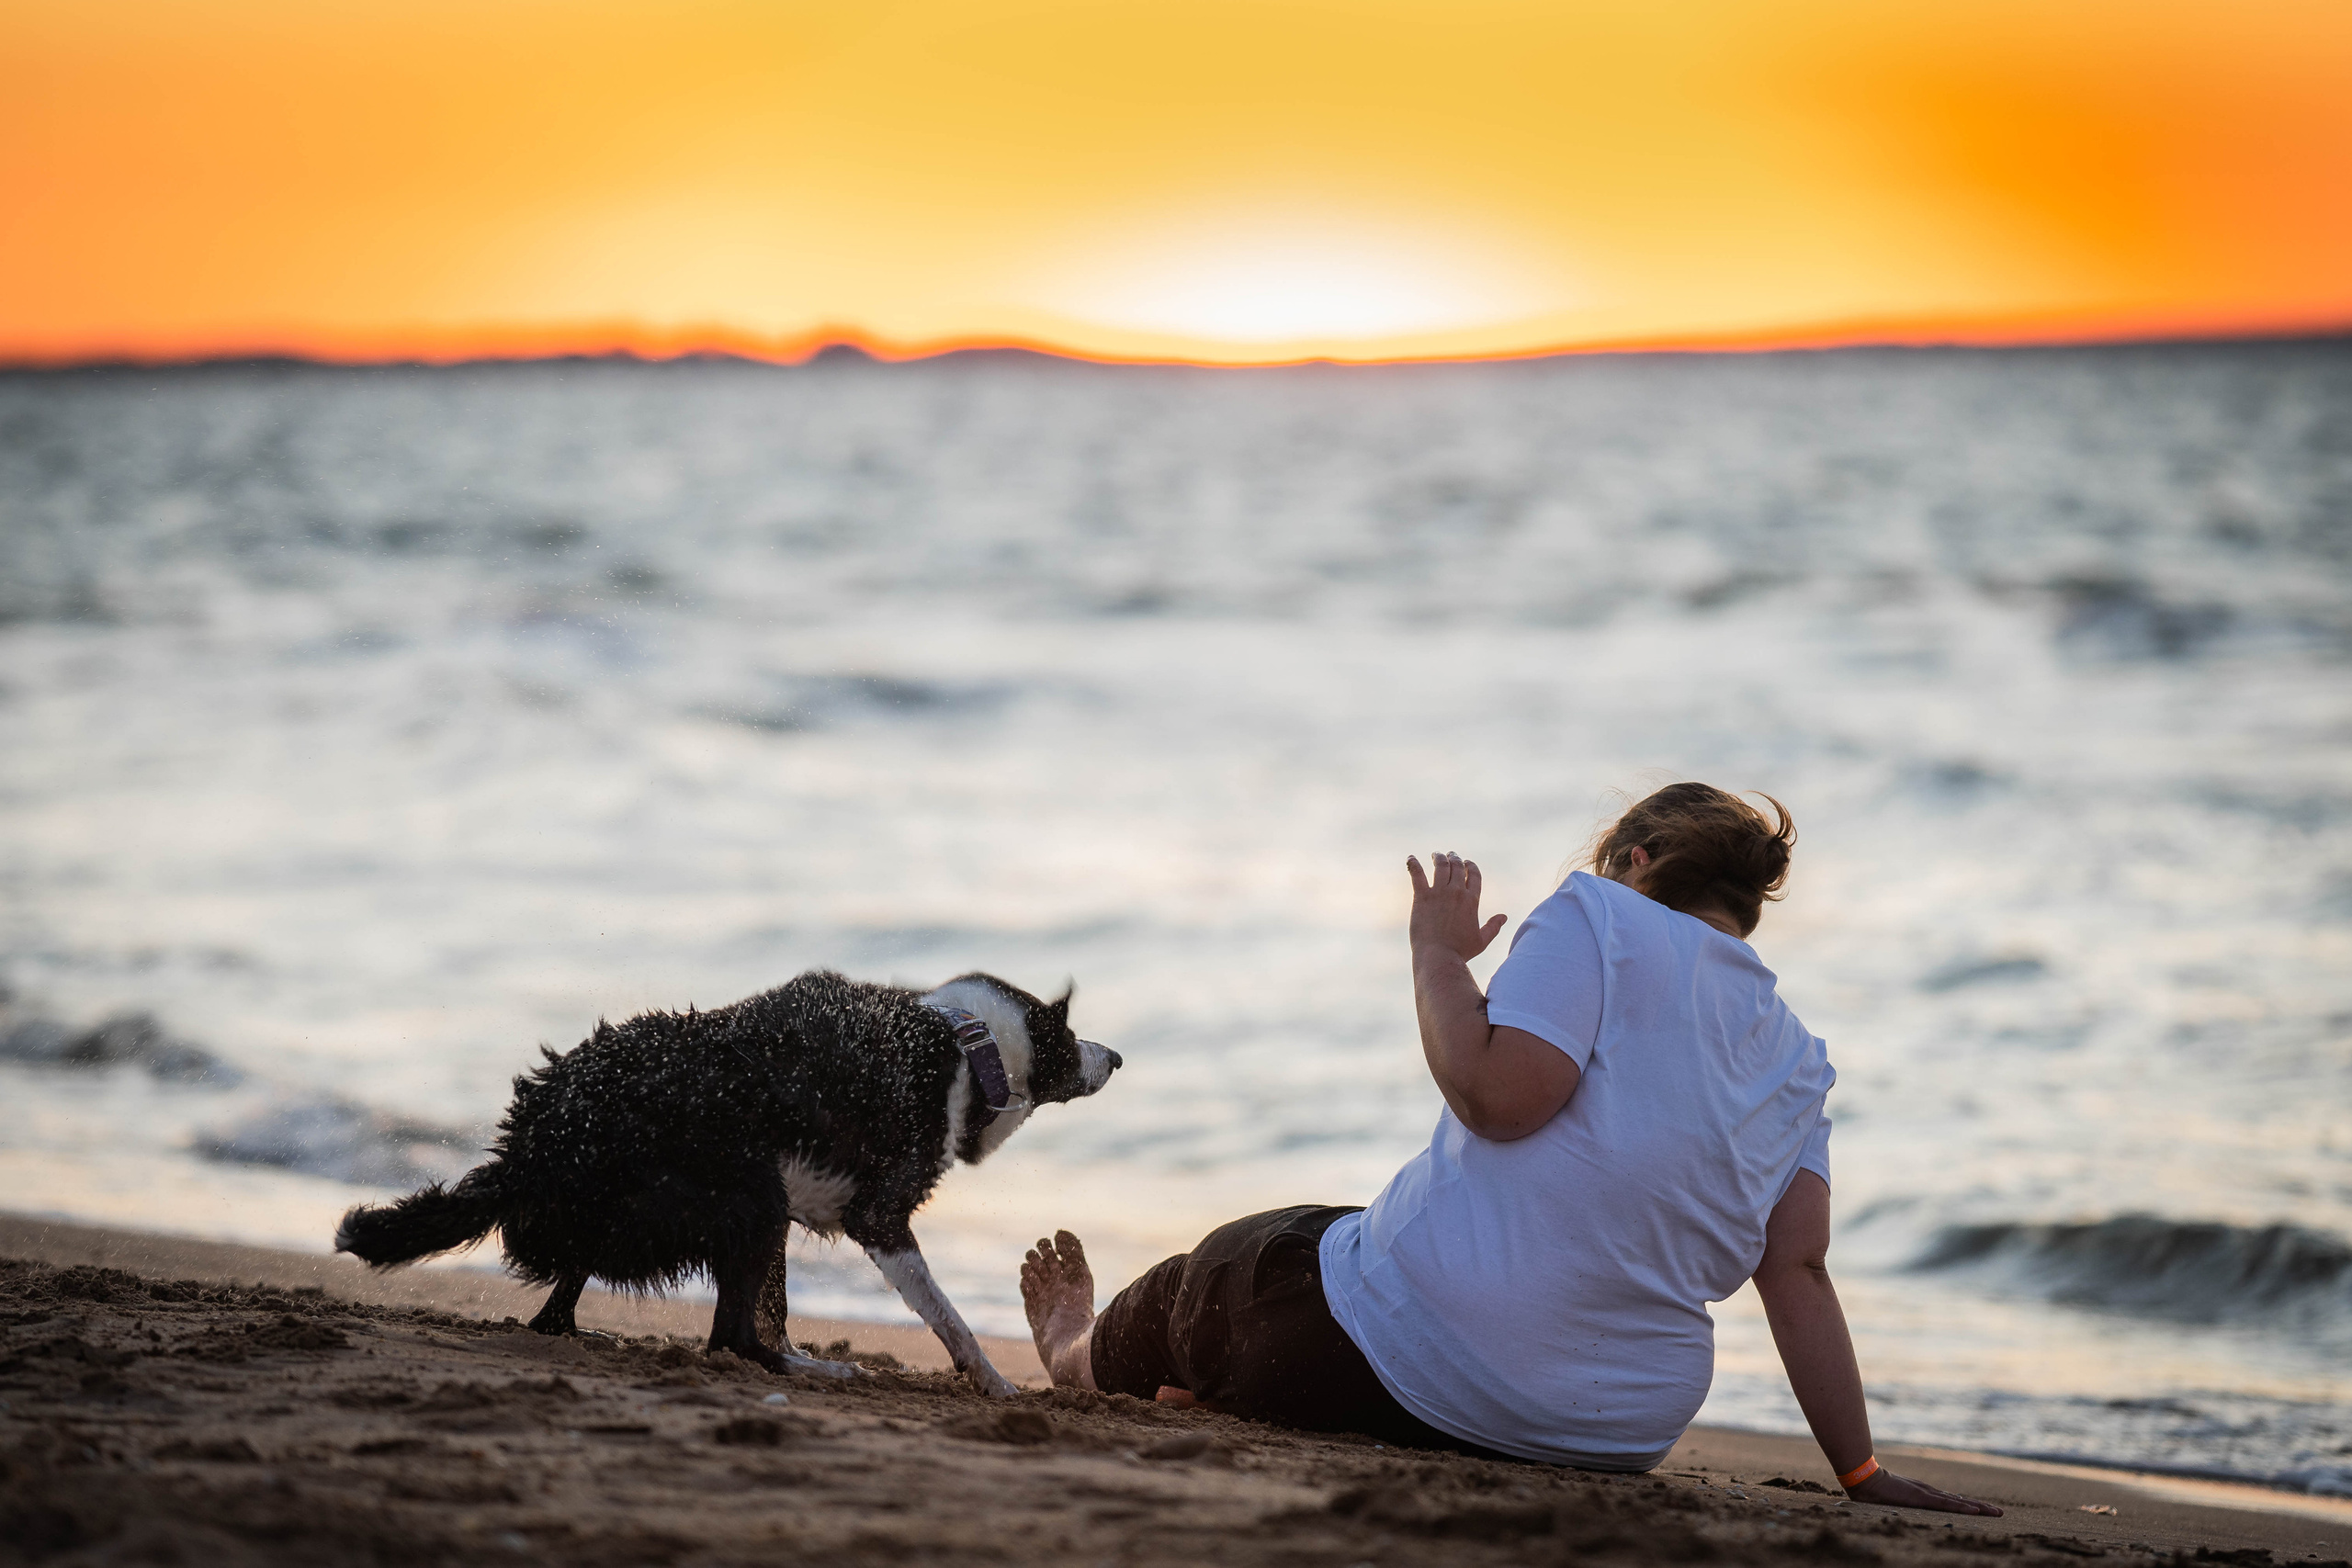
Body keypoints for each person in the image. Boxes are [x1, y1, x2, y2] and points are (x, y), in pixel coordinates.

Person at [1019, 783, 2000, 1513]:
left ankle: (1073, 1351)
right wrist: (1860, 1471)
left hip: (1400, 1365)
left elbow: (1497, 1098)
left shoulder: (1600, 913)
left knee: (1232, 1263)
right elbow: (1798, 1275)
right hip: (1613, 1436)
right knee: (1346, 1231)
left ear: (1637, 860)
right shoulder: (1798, 1060)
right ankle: (1218, 1390)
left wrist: (1437, 955)